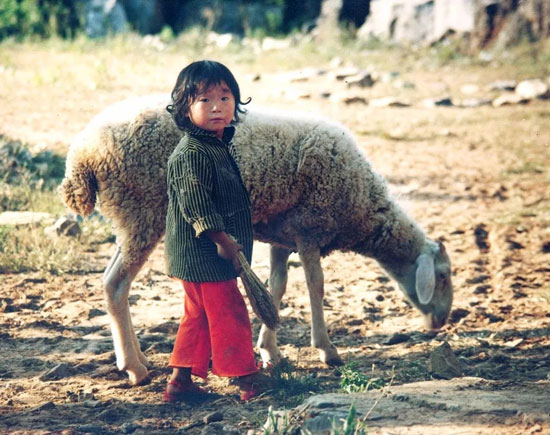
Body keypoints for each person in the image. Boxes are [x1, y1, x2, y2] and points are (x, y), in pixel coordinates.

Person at [163, 60, 270, 403]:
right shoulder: (192, 153)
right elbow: (197, 205)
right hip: (205, 254)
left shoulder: (215, 145)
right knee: (229, 312)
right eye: (205, 100)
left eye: (225, 98)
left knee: (197, 316)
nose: (217, 107)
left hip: (200, 255)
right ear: (185, 107)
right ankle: (247, 378)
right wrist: (222, 240)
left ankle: (180, 382)